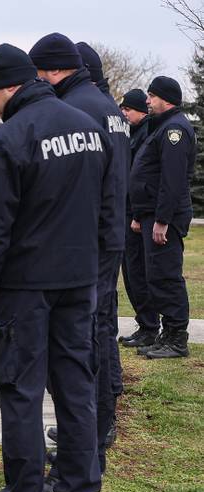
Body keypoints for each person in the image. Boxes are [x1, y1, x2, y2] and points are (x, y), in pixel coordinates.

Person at [0, 44, 114, 492]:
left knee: (21, 394)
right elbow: (110, 208)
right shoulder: (90, 130)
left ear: (8, 86)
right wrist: (97, 273)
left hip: (24, 289)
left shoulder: (8, 140)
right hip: (80, 283)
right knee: (77, 390)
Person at [30, 33, 130, 478]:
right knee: (99, 331)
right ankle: (94, 433)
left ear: (54, 70)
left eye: (38, 73)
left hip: (89, 241)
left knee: (85, 342)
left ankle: (89, 440)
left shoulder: (79, 110)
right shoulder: (107, 107)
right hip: (108, 234)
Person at [128, 76, 194, 359]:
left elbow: (172, 179)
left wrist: (162, 219)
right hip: (151, 214)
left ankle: (177, 338)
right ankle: (167, 334)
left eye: (152, 96)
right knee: (156, 275)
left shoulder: (174, 130)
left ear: (165, 99)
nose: (147, 101)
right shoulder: (162, 126)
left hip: (165, 217)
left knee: (166, 276)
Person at [118, 89, 158, 348]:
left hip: (136, 214)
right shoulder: (132, 134)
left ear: (141, 111)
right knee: (130, 273)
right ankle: (145, 324)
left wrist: (136, 215)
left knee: (138, 272)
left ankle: (150, 327)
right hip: (126, 211)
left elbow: (141, 179)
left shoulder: (145, 135)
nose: (124, 113)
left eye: (128, 109)